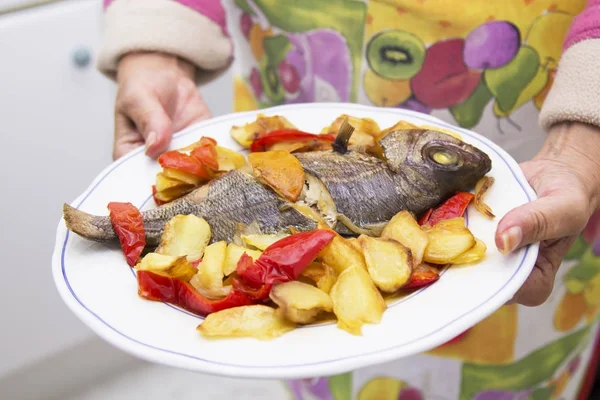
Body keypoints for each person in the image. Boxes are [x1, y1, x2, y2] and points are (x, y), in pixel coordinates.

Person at [96, 1, 600, 398]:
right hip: (289, 77)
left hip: (537, 142)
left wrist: (584, 134)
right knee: (317, 368)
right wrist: (155, 43)